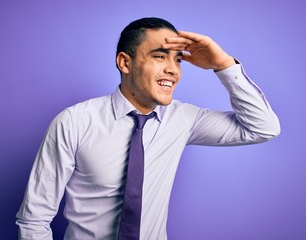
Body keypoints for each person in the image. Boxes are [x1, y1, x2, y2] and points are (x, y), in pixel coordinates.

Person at [16, 17, 280, 239]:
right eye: (159, 56)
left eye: (177, 60)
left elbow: (262, 128)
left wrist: (223, 65)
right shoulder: (74, 122)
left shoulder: (183, 119)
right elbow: (34, 220)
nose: (172, 70)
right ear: (125, 62)